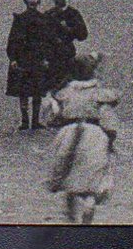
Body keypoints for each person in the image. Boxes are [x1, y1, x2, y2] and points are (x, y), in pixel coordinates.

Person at [42, 52, 121, 225]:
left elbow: (53, 117)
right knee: (92, 177)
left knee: (69, 175)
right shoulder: (99, 94)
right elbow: (108, 120)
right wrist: (111, 137)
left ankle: (71, 218)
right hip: (94, 135)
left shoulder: (65, 92)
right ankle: (88, 210)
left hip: (69, 132)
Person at [6, 0, 54, 130]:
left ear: (38, 0)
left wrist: (46, 58)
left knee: (37, 91)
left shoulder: (43, 19)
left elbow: (47, 41)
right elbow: (13, 40)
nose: (32, 1)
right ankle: (25, 120)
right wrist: (13, 58)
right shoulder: (20, 19)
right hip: (22, 59)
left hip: (37, 58)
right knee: (23, 91)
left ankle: (36, 120)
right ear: (25, 0)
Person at [45, 0, 89, 91]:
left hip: (67, 54)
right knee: (52, 88)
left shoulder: (73, 14)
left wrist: (69, 29)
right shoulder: (48, 14)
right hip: (51, 55)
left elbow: (83, 35)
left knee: (68, 86)